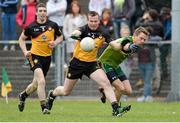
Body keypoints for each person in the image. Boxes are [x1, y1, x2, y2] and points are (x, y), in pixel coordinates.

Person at [46, 11, 130, 116]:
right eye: (91, 21)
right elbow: (76, 33)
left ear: (98, 21)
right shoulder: (83, 29)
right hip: (76, 64)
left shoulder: (103, 32)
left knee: (106, 83)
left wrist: (126, 44)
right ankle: (52, 94)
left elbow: (115, 46)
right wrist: (75, 35)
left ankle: (115, 108)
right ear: (88, 20)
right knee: (65, 91)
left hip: (91, 64)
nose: (93, 23)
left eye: (95, 21)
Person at [18, 3, 63, 114]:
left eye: (44, 11)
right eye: (40, 11)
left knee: (35, 84)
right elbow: (21, 39)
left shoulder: (53, 25)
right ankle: (44, 107)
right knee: (42, 81)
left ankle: (23, 95)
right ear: (36, 12)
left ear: (46, 13)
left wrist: (55, 42)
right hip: (34, 56)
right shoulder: (31, 27)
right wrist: (25, 52)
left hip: (47, 58)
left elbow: (61, 36)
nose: (42, 13)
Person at [98, 26, 150, 104]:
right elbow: (126, 46)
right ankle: (116, 109)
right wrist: (130, 47)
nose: (142, 41)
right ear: (135, 36)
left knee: (128, 91)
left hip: (115, 65)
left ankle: (107, 92)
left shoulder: (134, 42)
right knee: (121, 88)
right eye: (141, 38)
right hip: (106, 63)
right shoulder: (128, 40)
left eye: (144, 40)